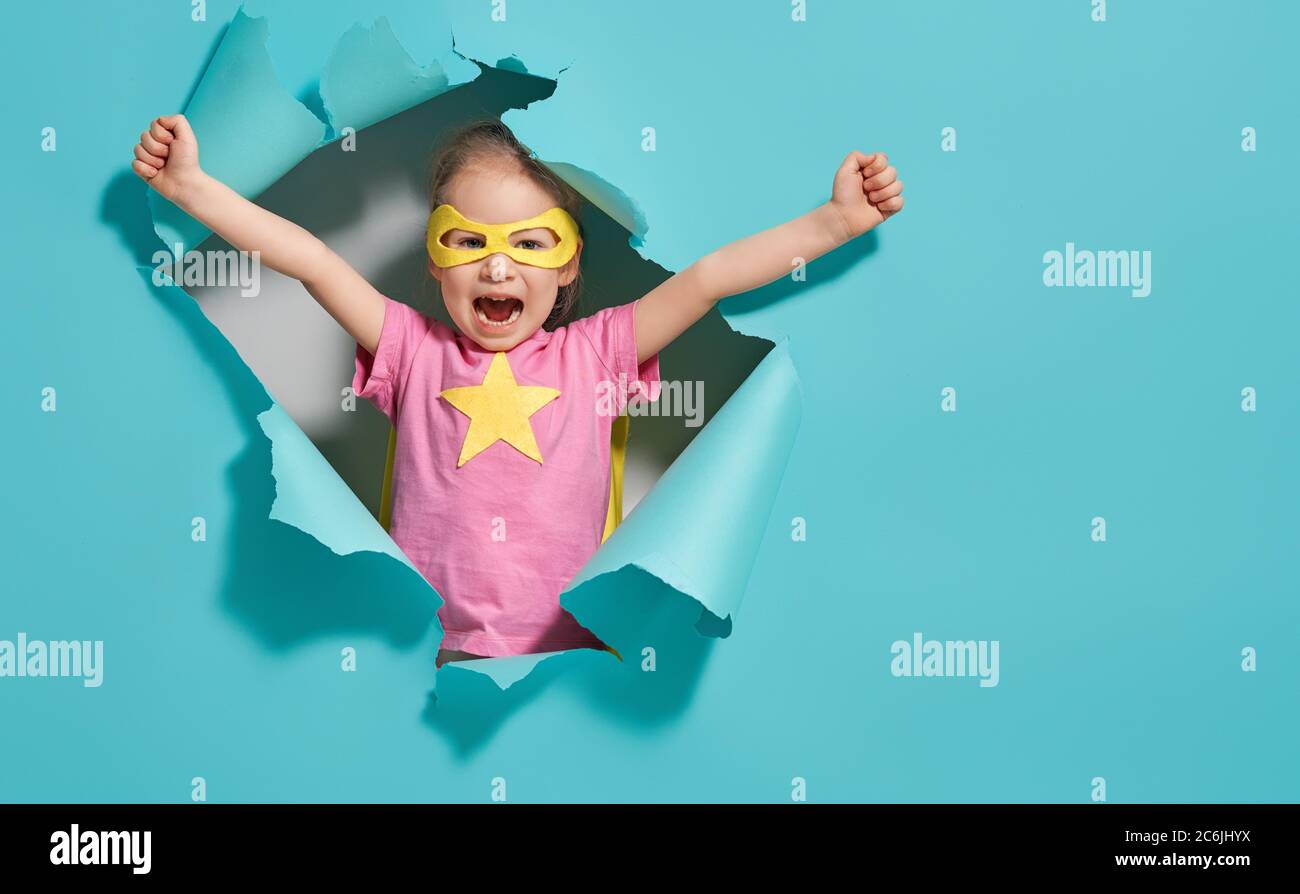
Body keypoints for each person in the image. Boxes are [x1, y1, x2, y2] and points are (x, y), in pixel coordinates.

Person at [132, 115, 904, 667]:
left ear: (569, 267)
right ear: (435, 261)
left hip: (573, 658)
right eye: (468, 241)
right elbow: (312, 263)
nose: (498, 269)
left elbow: (704, 280)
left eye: (530, 245)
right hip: (428, 657)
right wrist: (193, 191)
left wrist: (833, 224)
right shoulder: (410, 349)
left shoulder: (598, 355)